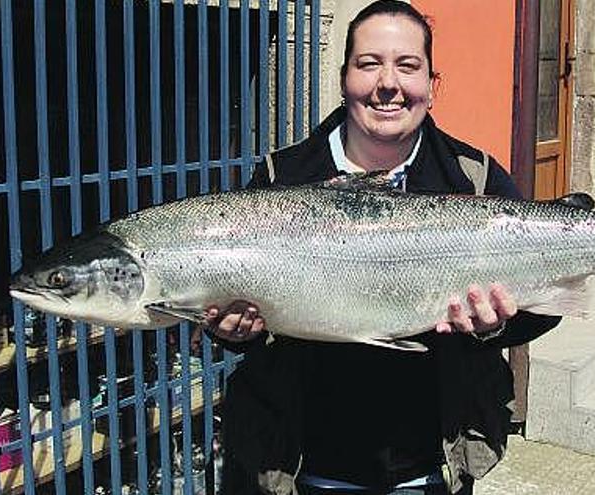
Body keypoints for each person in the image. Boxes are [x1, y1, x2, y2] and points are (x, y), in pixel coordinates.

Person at [206, 1, 561, 493]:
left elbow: (548, 302)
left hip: (430, 463)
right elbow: (246, 313)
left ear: (431, 86)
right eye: (369, 63)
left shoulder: (474, 177)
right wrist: (234, 331)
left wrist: (494, 326)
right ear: (344, 77)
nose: (388, 83)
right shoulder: (280, 178)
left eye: (408, 65)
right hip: (301, 462)